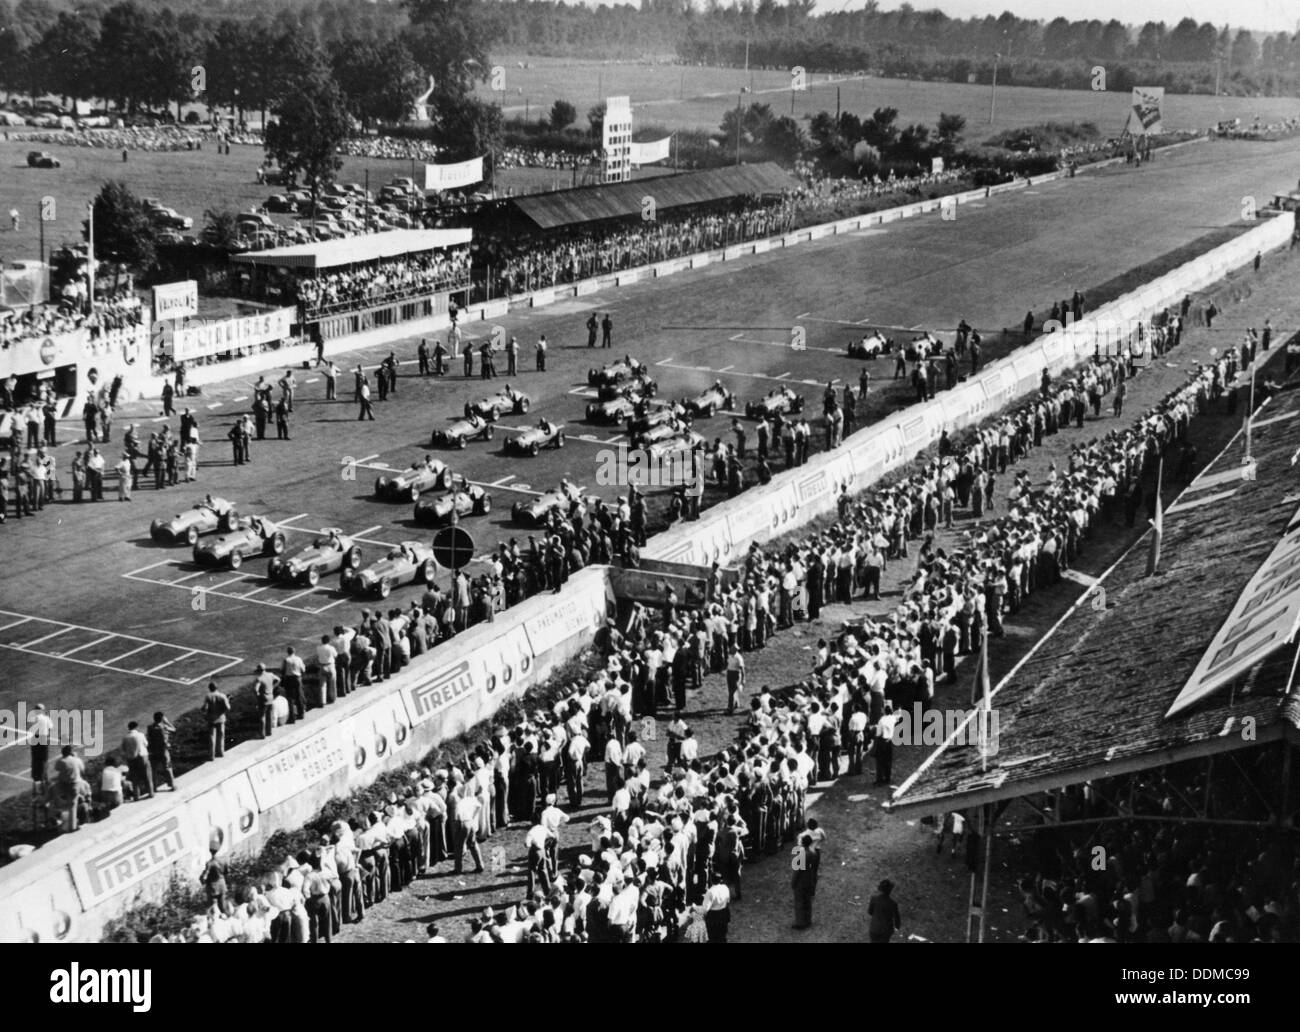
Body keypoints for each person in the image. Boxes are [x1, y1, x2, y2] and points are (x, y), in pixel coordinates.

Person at [146, 712, 176, 791]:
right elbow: (174, 729)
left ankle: (154, 787)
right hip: (163, 750)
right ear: (162, 719)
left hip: (154, 751)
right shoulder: (164, 727)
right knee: (167, 767)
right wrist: (167, 722)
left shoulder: (150, 727)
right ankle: (172, 785)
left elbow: (149, 739)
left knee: (154, 769)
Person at [791, 833, 815, 929]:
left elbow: (797, 870)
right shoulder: (812, 853)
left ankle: (800, 922)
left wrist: (793, 881)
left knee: (799, 901)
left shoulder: (802, 854)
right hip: (809, 878)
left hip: (801, 880)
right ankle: (808, 919)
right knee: (807, 900)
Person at [203, 681, 230, 759]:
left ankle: (211, 755)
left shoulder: (208, 696)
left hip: (211, 719)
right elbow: (228, 707)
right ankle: (220, 752)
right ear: (217, 688)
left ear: (210, 688)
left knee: (212, 736)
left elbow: (205, 708)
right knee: (221, 735)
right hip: (220, 718)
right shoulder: (222, 696)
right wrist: (222, 711)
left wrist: (206, 713)